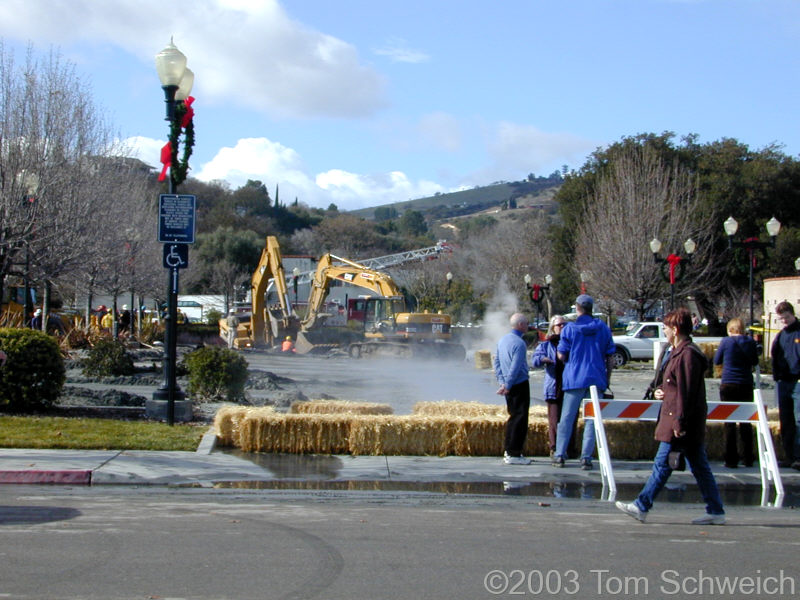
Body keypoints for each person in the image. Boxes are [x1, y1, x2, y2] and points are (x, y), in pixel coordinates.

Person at [617, 307, 726, 525]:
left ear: (675, 329)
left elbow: (686, 393)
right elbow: (675, 386)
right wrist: (660, 391)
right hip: (681, 419)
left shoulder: (687, 355)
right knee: (699, 466)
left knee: (663, 464)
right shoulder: (677, 352)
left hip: (680, 421)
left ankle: (642, 505)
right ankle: (715, 510)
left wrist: (679, 421)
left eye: (666, 328)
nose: (664, 332)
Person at [553, 295, 615, 470]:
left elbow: (561, 355)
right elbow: (610, 357)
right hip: (596, 378)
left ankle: (559, 454)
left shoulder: (570, 329)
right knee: (592, 420)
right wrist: (607, 378)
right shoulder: (603, 328)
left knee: (566, 418)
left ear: (577, 308)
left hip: (574, 377)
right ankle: (586, 457)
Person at [714, 317, 759, 468]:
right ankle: (748, 457)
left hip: (728, 383)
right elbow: (755, 361)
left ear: (730, 329)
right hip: (745, 383)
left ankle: (731, 459)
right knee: (746, 422)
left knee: (729, 423)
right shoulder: (750, 342)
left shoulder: (726, 342)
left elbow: (717, 360)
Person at [531, 315, 574, 458]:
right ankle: (554, 448)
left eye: (564, 324)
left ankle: (569, 448)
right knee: (554, 420)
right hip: (553, 387)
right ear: (552, 328)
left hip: (569, 387)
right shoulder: (546, 345)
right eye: (559, 325)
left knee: (569, 419)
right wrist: (543, 359)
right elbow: (535, 360)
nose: (562, 327)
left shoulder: (571, 343)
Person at [493, 312, 532, 465]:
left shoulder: (503, 340)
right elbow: (515, 367)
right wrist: (508, 385)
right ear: (520, 325)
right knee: (520, 418)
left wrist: (502, 382)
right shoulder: (519, 343)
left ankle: (509, 450)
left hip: (508, 384)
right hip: (518, 383)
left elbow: (496, 362)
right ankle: (514, 453)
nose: (528, 326)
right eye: (527, 324)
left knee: (513, 416)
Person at [771, 301, 800, 470]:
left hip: (798, 381)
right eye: (781, 319)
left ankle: (798, 456)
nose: (784, 321)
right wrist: (777, 376)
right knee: (786, 420)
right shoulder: (781, 336)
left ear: (792, 314)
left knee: (798, 420)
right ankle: (789, 456)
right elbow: (775, 356)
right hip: (784, 381)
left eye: (786, 317)